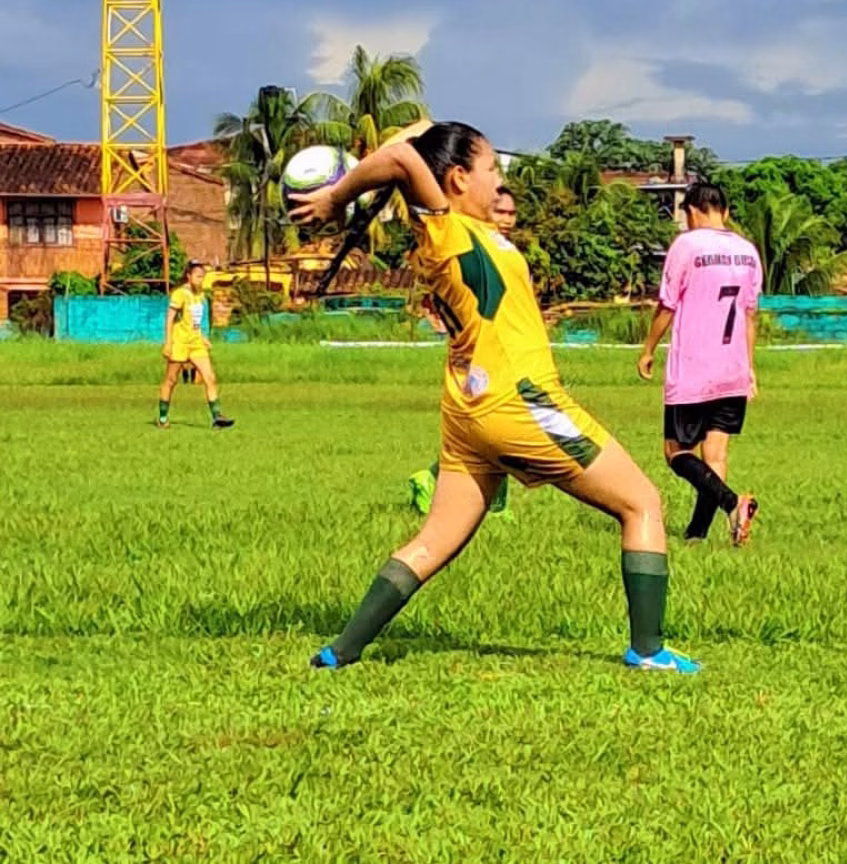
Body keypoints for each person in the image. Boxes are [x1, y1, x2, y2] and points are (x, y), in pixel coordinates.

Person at [290, 121, 698, 673]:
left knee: (434, 540)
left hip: (467, 412)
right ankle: (648, 651)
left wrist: (414, 147)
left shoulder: (456, 230)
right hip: (520, 402)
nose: (499, 183)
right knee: (642, 502)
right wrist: (338, 196)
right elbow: (406, 159)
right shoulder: (449, 229)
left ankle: (341, 652)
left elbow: (412, 144)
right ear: (457, 179)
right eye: (492, 170)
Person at [637, 182, 761, 546]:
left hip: (694, 369)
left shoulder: (687, 246)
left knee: (675, 452)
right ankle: (696, 536)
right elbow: (750, 315)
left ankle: (731, 502)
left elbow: (667, 305)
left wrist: (647, 349)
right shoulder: (748, 251)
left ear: (693, 210)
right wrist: (749, 367)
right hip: (733, 368)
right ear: (726, 211)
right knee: (716, 454)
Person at [407, 185, 518, 519]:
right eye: (501, 212)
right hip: (478, 353)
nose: (508, 220)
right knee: (499, 431)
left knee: (489, 434)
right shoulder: (465, 246)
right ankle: (488, 505)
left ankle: (436, 479)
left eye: (513, 213)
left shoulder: (501, 249)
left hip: (504, 350)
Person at [157, 260, 234, 430]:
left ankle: (217, 418)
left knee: (210, 377)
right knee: (171, 380)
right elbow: (170, 319)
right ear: (189, 276)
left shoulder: (200, 294)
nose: (201, 280)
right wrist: (168, 343)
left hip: (196, 343)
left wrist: (202, 337)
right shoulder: (179, 294)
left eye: (203, 277)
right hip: (180, 342)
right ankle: (162, 417)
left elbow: (195, 320)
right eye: (198, 276)